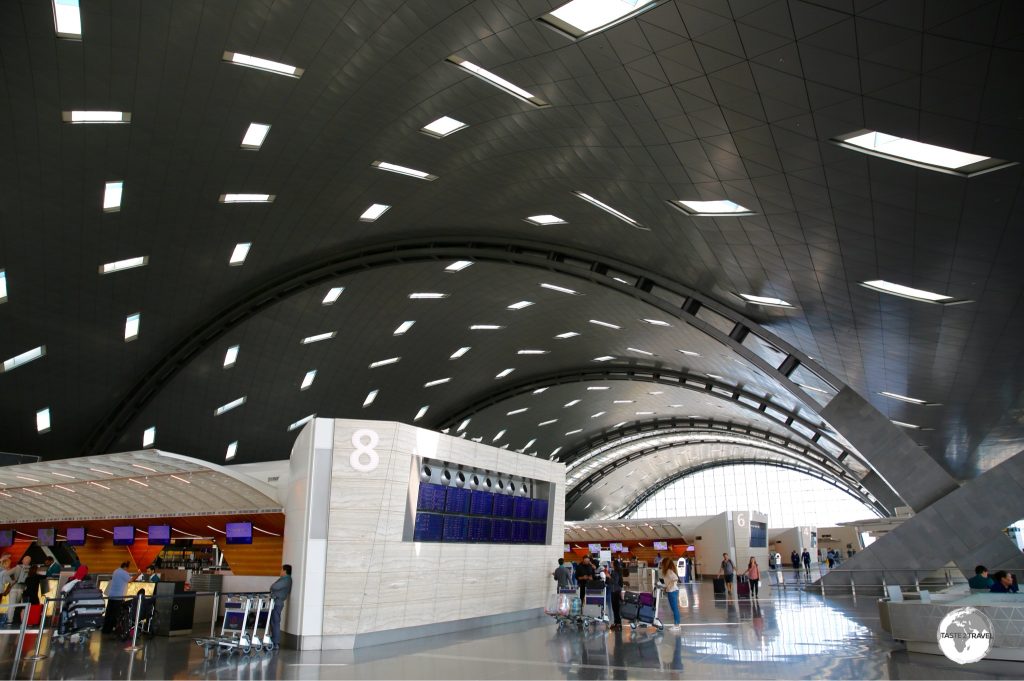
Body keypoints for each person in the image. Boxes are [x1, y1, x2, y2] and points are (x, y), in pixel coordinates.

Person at [103, 561, 133, 633]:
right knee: (115, 614)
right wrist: (138, 574)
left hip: (111, 595)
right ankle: (113, 629)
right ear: (126, 567)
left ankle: (105, 629)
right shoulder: (124, 573)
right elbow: (131, 580)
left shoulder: (116, 571)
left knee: (109, 613)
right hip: (118, 596)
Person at [268, 565, 292, 649]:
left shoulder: (286, 580)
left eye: (281, 570)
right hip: (276, 601)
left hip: (277, 602)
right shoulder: (284, 579)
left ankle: (275, 642)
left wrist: (272, 586)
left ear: (285, 571)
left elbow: (274, 586)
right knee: (273, 622)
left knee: (275, 622)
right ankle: (273, 640)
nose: (280, 571)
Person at [6, 555, 32, 627]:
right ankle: (15, 619)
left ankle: (9, 620)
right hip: (22, 589)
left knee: (11, 605)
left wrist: (11, 581)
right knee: (17, 605)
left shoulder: (17, 567)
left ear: (23, 560)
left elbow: (6, 574)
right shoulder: (30, 569)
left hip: (14, 588)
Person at [660, 557, 680, 628]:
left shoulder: (669, 571)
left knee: (674, 608)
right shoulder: (668, 571)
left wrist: (669, 586)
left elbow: (675, 578)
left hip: (673, 591)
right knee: (673, 608)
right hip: (671, 591)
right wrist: (666, 586)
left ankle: (677, 625)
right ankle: (676, 624)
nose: (661, 565)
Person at [607, 560, 625, 630]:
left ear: (614, 564)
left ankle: (618, 624)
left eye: (611, 563)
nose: (610, 564)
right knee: (616, 609)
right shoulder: (616, 572)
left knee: (616, 609)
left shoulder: (615, 572)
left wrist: (609, 576)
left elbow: (615, 582)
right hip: (616, 591)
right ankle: (617, 623)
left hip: (615, 592)